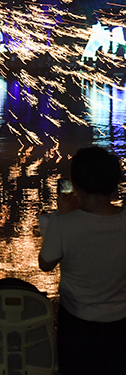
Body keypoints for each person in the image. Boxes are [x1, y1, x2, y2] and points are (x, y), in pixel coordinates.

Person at [38, 146, 126, 374]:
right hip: (121, 323)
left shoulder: (63, 224)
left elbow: (45, 263)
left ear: (75, 185)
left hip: (77, 324)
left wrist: (61, 217)